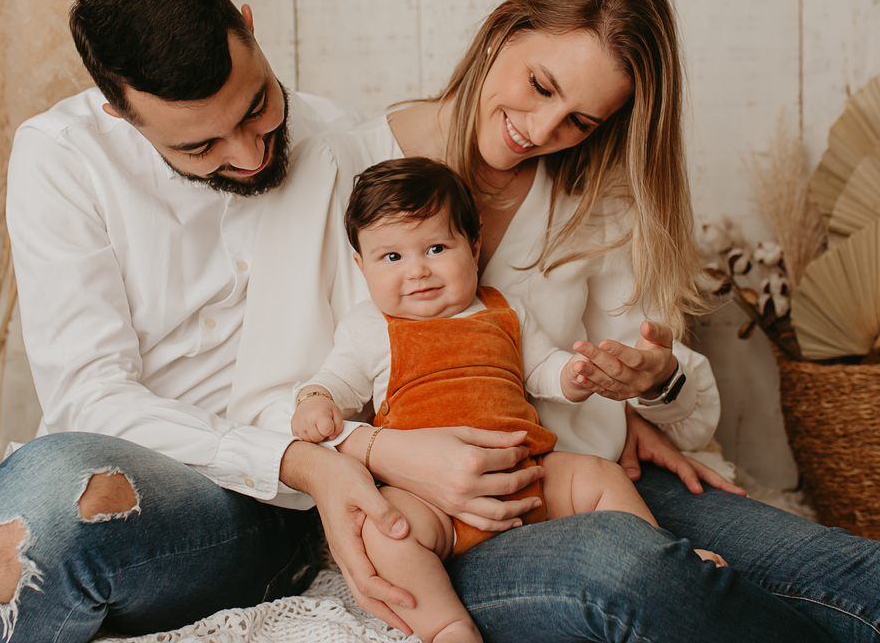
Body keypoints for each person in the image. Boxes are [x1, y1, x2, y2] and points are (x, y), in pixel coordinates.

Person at [229, 0, 880, 642]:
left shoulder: (593, 198)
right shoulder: (345, 165)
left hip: (581, 480)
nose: (541, 129)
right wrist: (381, 449)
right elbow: (266, 405)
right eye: (540, 86)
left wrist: (649, 385)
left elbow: (670, 393)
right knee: (646, 579)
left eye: (579, 121)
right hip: (433, 520)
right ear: (503, 31)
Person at [0, 0, 418, 643]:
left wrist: (307, 458)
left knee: (47, 514)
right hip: (86, 488)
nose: (249, 154)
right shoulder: (62, 156)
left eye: (258, 107)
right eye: (200, 147)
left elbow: (379, 344)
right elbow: (89, 395)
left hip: (263, 507)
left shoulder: (341, 143)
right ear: (121, 115)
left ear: (249, 29)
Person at [291, 156, 725, 643]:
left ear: (473, 247)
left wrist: (576, 375)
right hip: (430, 499)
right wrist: (314, 400)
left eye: (436, 248)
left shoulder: (503, 309)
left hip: (529, 473)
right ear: (361, 265)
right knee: (385, 532)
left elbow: (541, 369)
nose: (417, 271)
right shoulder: (369, 327)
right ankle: (446, 625)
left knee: (601, 477)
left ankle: (664, 555)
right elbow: (334, 381)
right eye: (392, 258)